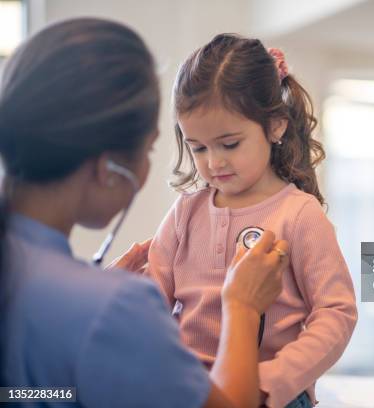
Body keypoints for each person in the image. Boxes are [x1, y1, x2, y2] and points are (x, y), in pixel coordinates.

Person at [0, 18, 288, 408]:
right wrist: (242, 306)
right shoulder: (113, 308)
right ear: (109, 169)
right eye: (196, 148)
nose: (212, 162)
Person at [144, 34, 358, 408]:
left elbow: (336, 313)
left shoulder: (299, 214)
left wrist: (274, 379)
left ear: (275, 126)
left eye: (229, 144)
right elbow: (151, 299)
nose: (213, 162)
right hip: (191, 390)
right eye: (198, 148)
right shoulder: (184, 212)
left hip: (270, 394)